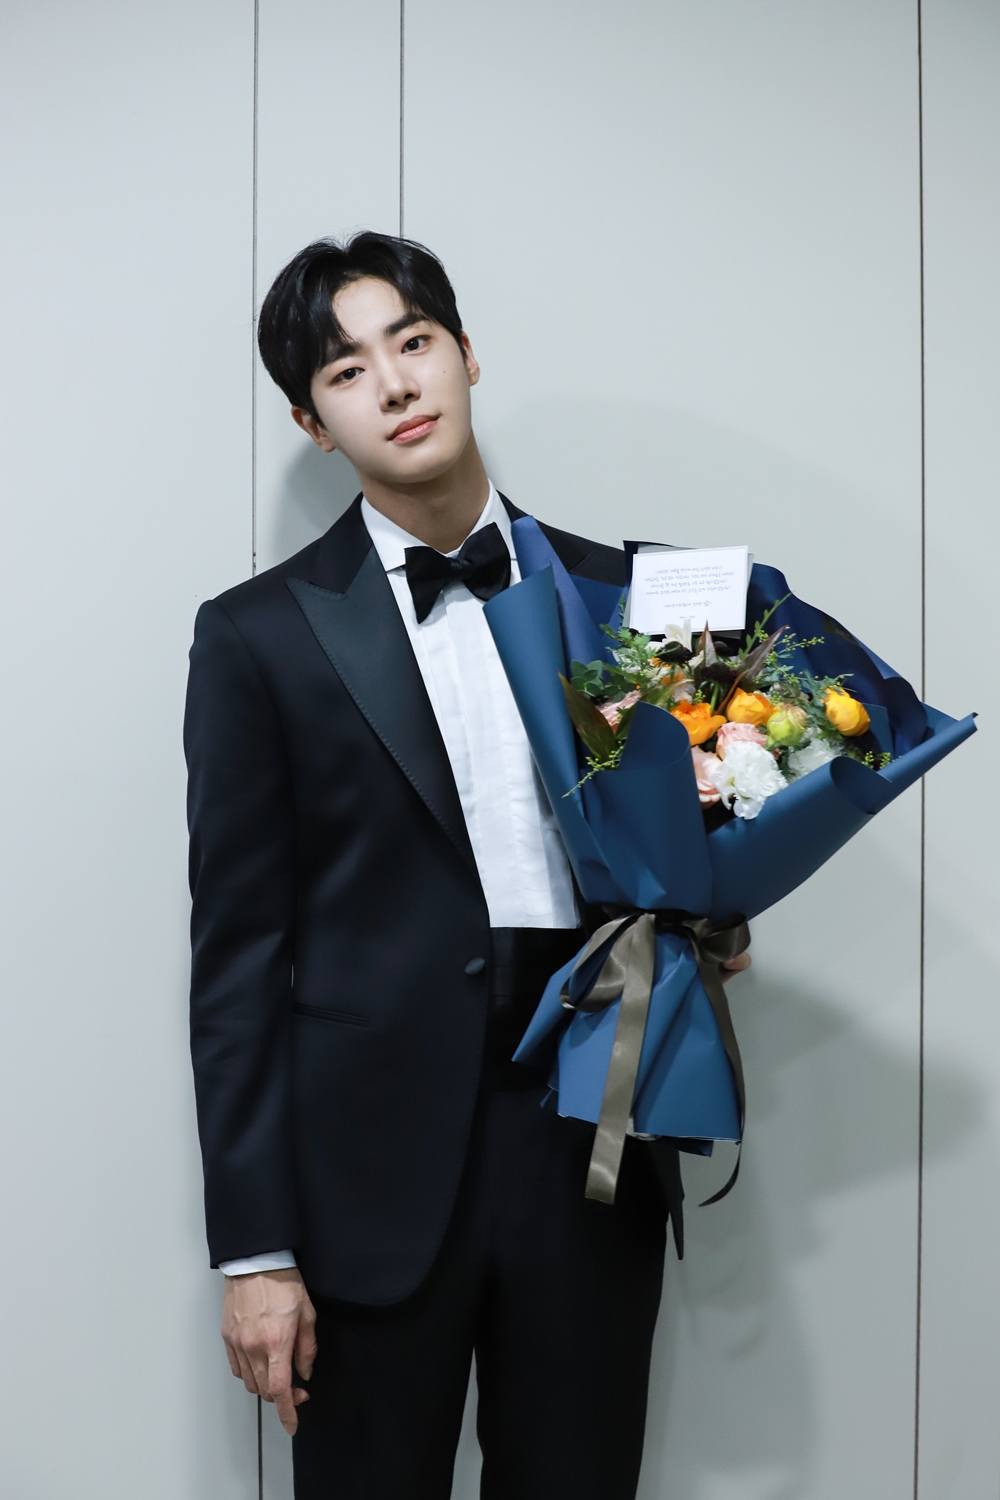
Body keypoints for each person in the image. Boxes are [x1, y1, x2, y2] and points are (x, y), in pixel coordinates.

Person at [185, 231, 750, 1499]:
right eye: (346, 371)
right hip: (368, 1176)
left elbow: (700, 841)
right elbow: (235, 965)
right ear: (312, 423)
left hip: (590, 1137)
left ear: (465, 353)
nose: (393, 382)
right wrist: (256, 1255)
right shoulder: (255, 637)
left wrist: (714, 921)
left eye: (413, 341)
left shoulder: (635, 596)